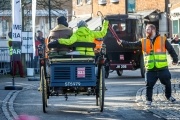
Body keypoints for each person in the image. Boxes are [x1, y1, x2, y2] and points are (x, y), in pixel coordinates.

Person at [117, 24, 178, 106]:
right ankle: (148, 100)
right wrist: (122, 43)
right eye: (146, 29)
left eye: (148, 29)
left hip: (162, 67)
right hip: (150, 68)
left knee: (167, 83)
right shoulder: (143, 41)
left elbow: (171, 50)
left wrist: (175, 59)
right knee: (149, 85)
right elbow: (132, 45)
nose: (146, 31)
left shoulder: (163, 39)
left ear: (153, 30)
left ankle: (169, 96)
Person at [38, 16, 73, 91]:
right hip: (65, 54)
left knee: (51, 65)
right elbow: (72, 43)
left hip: (54, 55)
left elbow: (48, 45)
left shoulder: (52, 31)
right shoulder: (69, 31)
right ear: (65, 22)